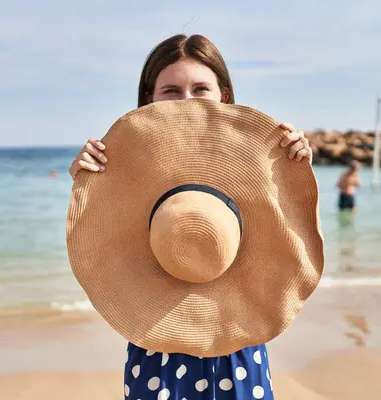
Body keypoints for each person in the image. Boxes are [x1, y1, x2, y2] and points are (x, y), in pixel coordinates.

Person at [68, 34, 315, 400]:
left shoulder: (254, 156)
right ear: (149, 98)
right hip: (157, 339)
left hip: (238, 338)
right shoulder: (126, 161)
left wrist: (294, 165)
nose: (187, 101)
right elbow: (99, 247)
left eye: (201, 88)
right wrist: (86, 182)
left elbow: (290, 229)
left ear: (224, 96)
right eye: (171, 90)